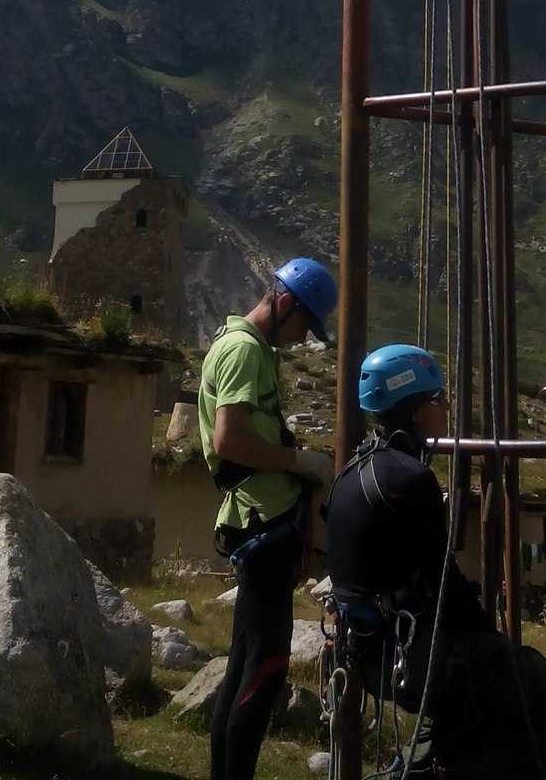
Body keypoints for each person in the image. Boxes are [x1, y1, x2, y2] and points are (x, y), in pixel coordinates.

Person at [325, 342, 546, 780]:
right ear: (416, 408)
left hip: (366, 653)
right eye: (439, 399)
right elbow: (443, 582)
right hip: (415, 659)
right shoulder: (409, 479)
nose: (448, 407)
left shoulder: (354, 469)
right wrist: (493, 644)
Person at [198, 255, 338, 780]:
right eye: (304, 323)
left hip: (263, 518)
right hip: (262, 522)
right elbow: (229, 440)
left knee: (245, 667)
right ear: (283, 304)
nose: (304, 339)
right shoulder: (243, 351)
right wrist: (297, 461)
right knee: (265, 667)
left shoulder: (252, 350)